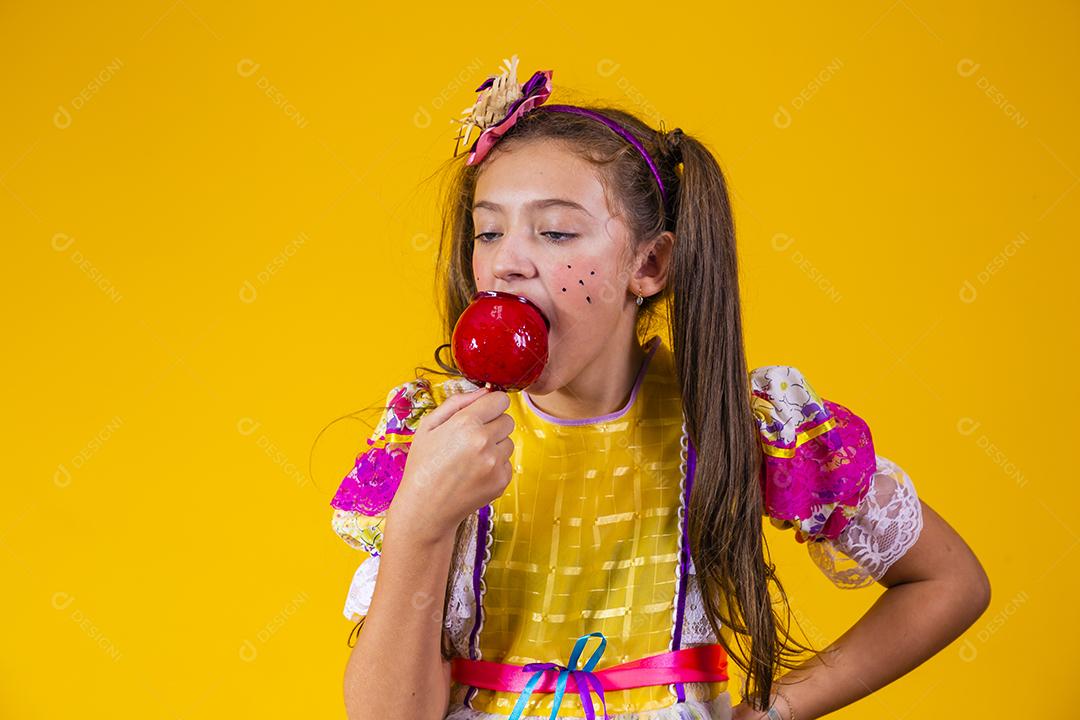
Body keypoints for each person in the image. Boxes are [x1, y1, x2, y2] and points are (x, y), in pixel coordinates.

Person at [329, 55, 991, 720]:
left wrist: (778, 708)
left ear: (649, 264)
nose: (506, 262)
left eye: (555, 230)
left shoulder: (732, 422)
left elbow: (948, 583)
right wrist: (420, 521)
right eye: (489, 231)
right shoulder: (430, 440)